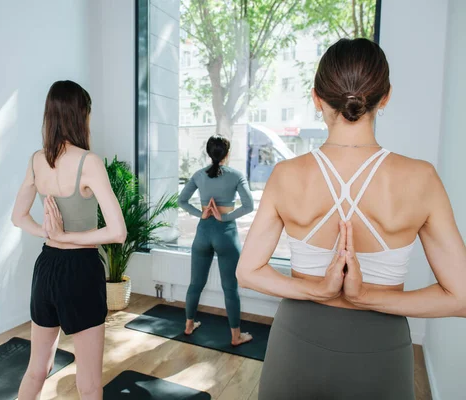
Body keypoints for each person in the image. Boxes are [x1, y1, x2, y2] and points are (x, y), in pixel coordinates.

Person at [236, 38, 466, 400]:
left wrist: (317, 290)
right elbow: (461, 297)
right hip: (381, 347)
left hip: (297, 340)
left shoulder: (286, 175)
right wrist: (366, 296)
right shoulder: (421, 178)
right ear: (385, 96)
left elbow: (247, 272)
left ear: (316, 97)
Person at [12, 80, 126, 400]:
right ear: (81, 115)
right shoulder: (89, 162)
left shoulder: (37, 160)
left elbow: (18, 217)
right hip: (80, 269)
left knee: (38, 368)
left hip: (46, 267)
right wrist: (65, 235)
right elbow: (117, 232)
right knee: (88, 384)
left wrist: (50, 234)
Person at [178, 136, 254, 346]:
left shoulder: (198, 175)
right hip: (226, 235)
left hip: (203, 234)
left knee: (195, 284)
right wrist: (225, 217)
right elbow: (249, 206)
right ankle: (236, 336)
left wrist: (201, 214)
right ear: (227, 154)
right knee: (230, 288)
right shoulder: (236, 176)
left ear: (208, 153)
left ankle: (188, 325)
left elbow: (181, 201)